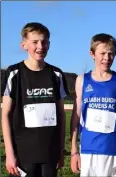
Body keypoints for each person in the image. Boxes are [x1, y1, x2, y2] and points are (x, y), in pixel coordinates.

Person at [1, 22, 69, 177]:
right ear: (24, 45)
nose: (40, 46)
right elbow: (5, 114)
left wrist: (60, 149)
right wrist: (10, 154)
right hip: (23, 154)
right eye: (35, 42)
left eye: (44, 42)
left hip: (49, 154)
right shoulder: (14, 73)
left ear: (49, 44)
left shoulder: (56, 74)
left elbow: (61, 114)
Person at [69, 33, 116, 177]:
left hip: (113, 149)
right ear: (92, 54)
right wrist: (74, 151)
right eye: (102, 53)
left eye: (111, 54)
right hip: (88, 150)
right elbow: (75, 117)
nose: (107, 58)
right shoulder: (82, 80)